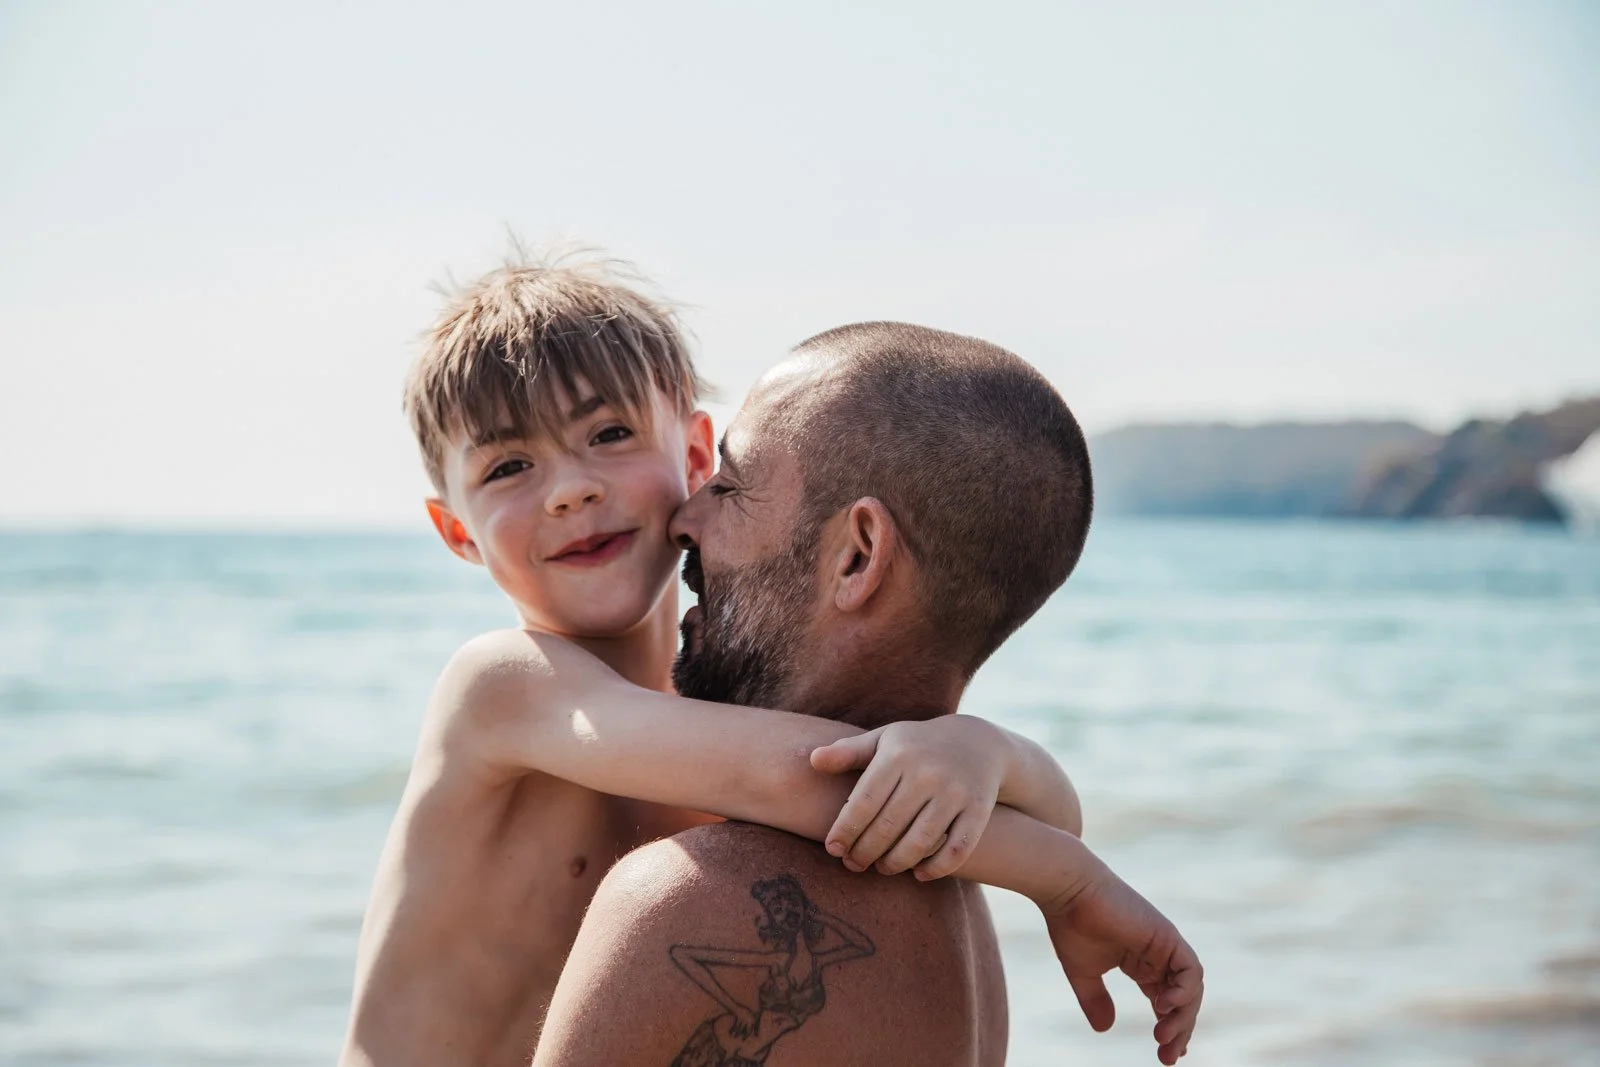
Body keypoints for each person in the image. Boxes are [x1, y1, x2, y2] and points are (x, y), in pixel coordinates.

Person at [338, 257, 1175, 1067]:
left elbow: (1023, 804)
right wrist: (1060, 877)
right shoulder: (502, 687)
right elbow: (809, 781)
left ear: (698, 457)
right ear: (456, 532)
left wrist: (985, 750)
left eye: (609, 433)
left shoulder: (721, 716)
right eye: (510, 466)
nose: (569, 489)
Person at [533, 322, 1203, 1067]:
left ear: (856, 556)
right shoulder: (967, 925)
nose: (685, 518)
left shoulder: (682, 905)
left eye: (731, 483)